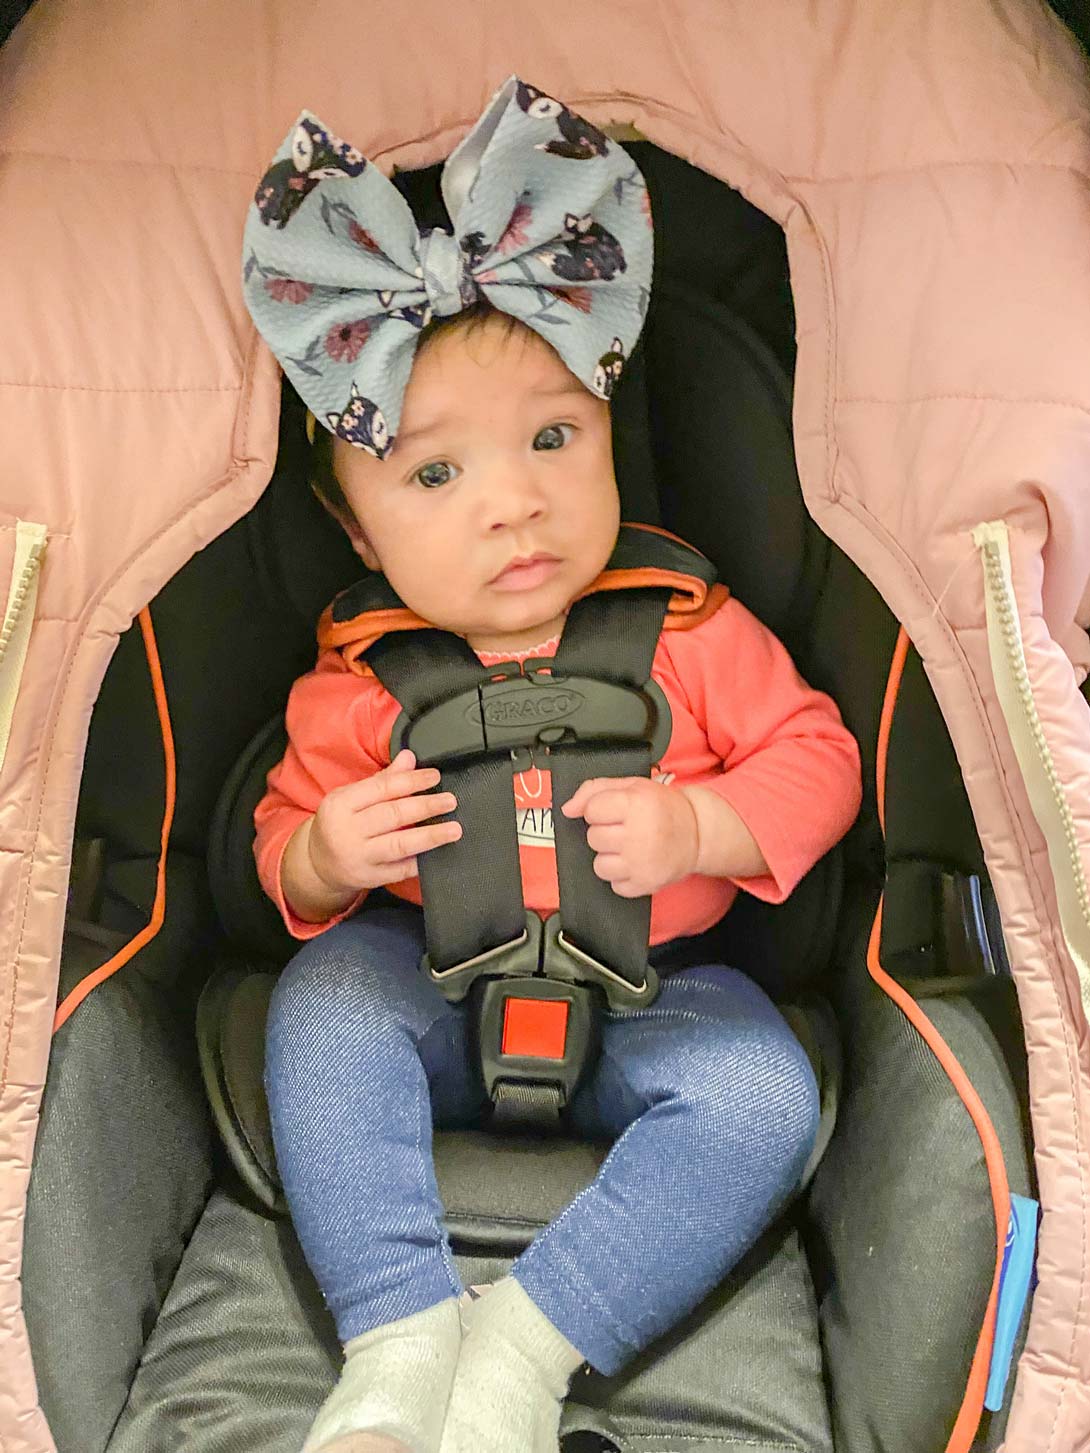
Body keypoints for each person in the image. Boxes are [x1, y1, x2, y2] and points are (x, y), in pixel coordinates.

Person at [241, 76, 862, 1453]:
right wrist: (327, 850)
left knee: (765, 1096)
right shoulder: (359, 674)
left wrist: (706, 825)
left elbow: (815, 757)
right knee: (320, 1011)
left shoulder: (690, 628)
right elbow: (277, 845)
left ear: (608, 435)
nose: (513, 502)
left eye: (550, 439)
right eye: (434, 476)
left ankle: (520, 1351)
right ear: (358, 534)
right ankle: (397, 1340)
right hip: (426, 987)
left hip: (656, 992)